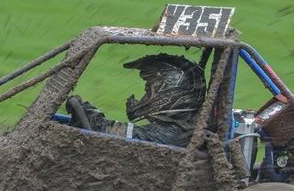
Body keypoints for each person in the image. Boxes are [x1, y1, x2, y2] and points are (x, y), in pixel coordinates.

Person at [66, 53, 206, 147]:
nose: (145, 93)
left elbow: (104, 130)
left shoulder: (165, 135)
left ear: (168, 93)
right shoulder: (179, 130)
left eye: (148, 88)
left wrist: (86, 111)